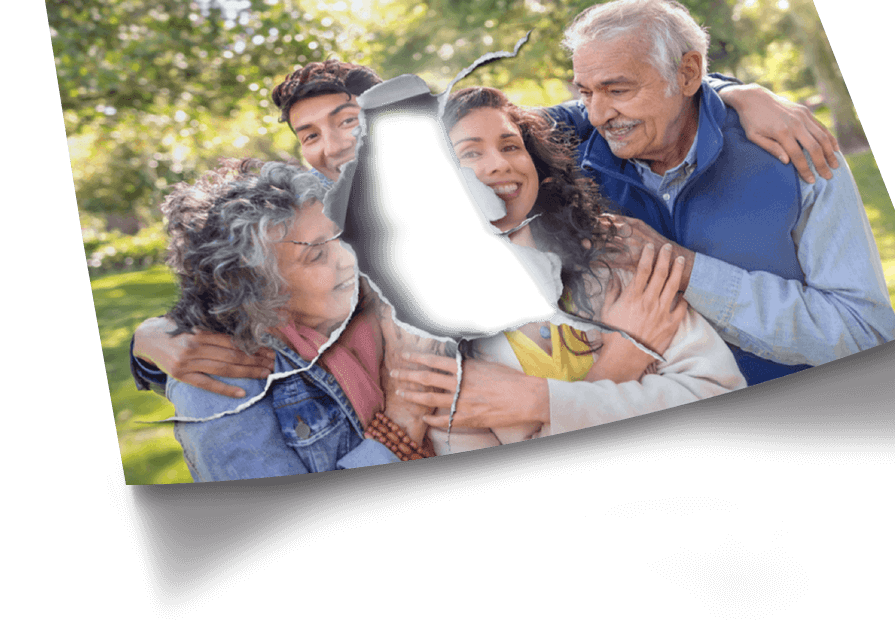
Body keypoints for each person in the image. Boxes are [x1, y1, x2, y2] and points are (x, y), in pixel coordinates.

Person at [130, 54, 838, 400]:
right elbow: (222, 296)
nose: (331, 144)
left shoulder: (483, 153)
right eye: (308, 134)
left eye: (347, 121)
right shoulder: (314, 218)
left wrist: (737, 92)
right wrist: (149, 341)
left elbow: (618, 96)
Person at [541, 0, 895, 386]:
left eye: (618, 90)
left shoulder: (794, 150)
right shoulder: (570, 173)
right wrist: (734, 89)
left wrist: (687, 271)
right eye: (585, 92)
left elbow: (864, 333)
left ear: (688, 74)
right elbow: (487, 123)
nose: (598, 115)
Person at [390, 87, 746, 451]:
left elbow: (718, 389)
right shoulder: (434, 342)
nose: (500, 163)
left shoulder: (617, 263)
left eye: (511, 146)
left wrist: (541, 403)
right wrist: (619, 362)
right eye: (469, 152)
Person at [158, 158, 430, 481]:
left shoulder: (373, 308)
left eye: (340, 237)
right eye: (316, 255)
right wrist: (400, 424)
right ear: (258, 288)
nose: (346, 258)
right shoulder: (221, 380)